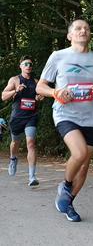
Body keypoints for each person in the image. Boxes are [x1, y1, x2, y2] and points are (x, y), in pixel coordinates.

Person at [36, 18, 93, 222]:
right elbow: (40, 87)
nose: (83, 30)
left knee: (85, 166)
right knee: (78, 153)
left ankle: (68, 203)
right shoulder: (58, 56)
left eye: (86, 28)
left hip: (90, 118)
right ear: (70, 35)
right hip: (65, 114)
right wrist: (56, 92)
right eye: (78, 28)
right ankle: (66, 186)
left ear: (90, 35)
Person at [1, 55, 43, 186]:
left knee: (31, 143)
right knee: (15, 143)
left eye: (30, 64)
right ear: (20, 66)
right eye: (25, 64)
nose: (28, 66)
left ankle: (32, 176)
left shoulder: (36, 82)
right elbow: (3, 96)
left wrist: (40, 97)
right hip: (17, 117)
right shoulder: (15, 80)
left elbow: (41, 95)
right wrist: (15, 90)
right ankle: (13, 159)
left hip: (31, 116)